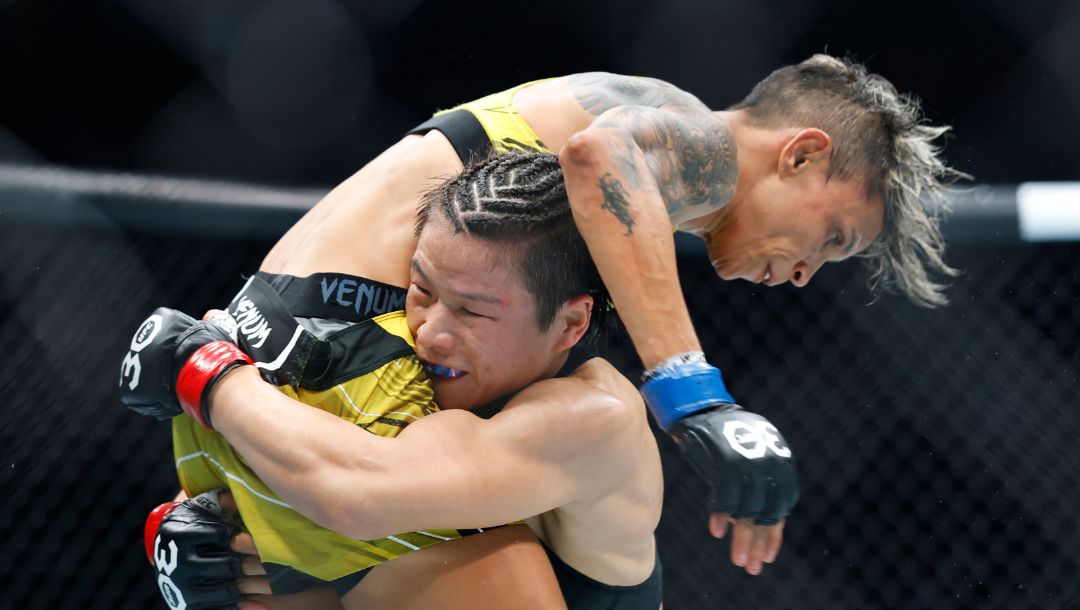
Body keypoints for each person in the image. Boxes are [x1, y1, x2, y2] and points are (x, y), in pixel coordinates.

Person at [124, 53, 958, 607]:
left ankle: (242, 529)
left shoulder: (610, 214)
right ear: (802, 155)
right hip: (352, 351)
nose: (811, 271)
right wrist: (693, 394)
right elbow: (602, 161)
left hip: (278, 341)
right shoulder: (691, 136)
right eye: (834, 237)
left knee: (561, 485)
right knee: (595, 441)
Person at [128, 152, 680, 609]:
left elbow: (357, 494)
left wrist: (208, 373)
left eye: (473, 312)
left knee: (482, 555)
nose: (432, 333)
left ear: (571, 323)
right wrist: (187, 524)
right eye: (422, 290)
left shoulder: (596, 417)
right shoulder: (397, 357)